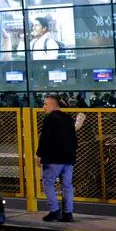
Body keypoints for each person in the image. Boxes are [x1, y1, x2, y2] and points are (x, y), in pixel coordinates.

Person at [37, 94, 77, 222]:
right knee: (67, 186)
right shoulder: (68, 118)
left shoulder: (50, 119)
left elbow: (45, 139)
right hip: (68, 158)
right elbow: (74, 139)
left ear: (54, 105)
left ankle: (54, 211)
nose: (44, 107)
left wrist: (39, 154)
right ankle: (68, 213)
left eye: (46, 104)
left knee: (48, 182)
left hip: (53, 158)